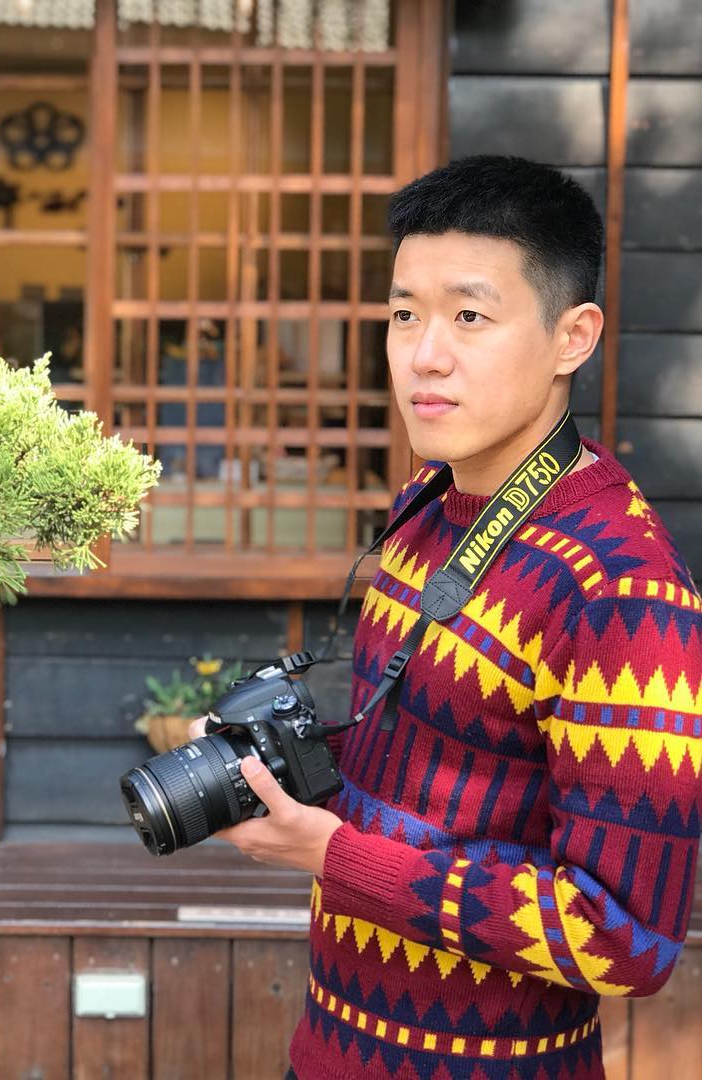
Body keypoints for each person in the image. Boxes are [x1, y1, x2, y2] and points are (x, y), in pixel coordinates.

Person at [190, 155, 702, 1080]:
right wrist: (275, 772)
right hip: (332, 1050)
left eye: (469, 316)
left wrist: (337, 858)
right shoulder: (430, 499)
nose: (424, 354)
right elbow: (425, 776)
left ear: (572, 337)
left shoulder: (623, 590)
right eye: (404, 314)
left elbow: (624, 939)